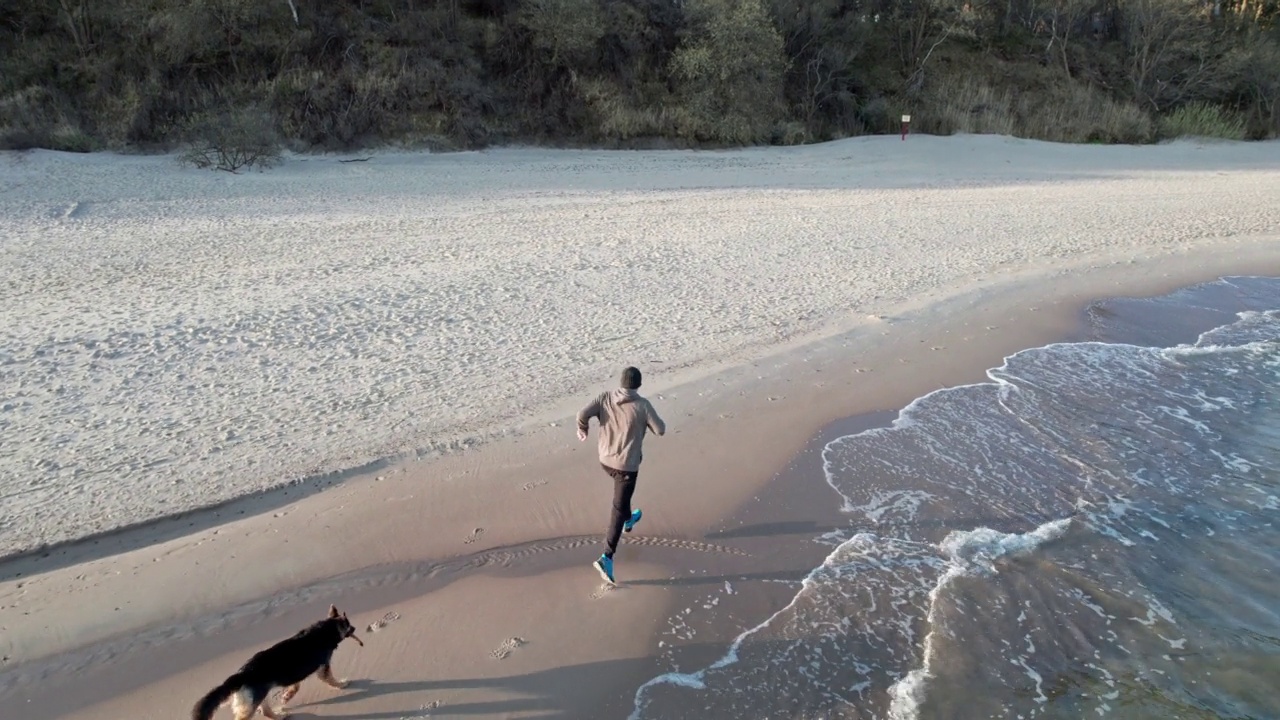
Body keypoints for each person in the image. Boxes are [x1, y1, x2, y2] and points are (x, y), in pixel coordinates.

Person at [577, 366, 666, 584]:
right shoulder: (643, 405)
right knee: (617, 507)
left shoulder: (605, 397)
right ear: (639, 385)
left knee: (623, 502)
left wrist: (583, 428)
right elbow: (661, 429)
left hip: (605, 460)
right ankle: (606, 556)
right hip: (626, 467)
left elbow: (582, 414)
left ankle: (629, 517)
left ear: (621, 382)